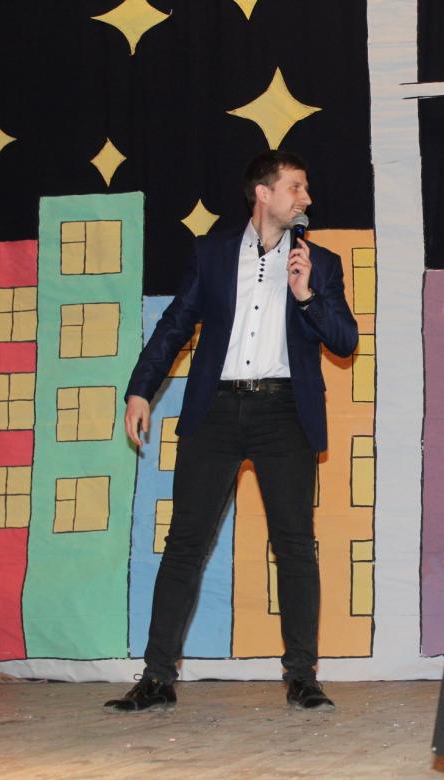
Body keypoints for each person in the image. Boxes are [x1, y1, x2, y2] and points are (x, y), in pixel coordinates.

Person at [105, 150, 358, 713]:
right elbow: (175, 325)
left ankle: (302, 677)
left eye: (306, 188)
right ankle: (157, 677)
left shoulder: (320, 263)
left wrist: (308, 296)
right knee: (185, 545)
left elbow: (345, 341)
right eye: (296, 187)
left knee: (295, 547)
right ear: (263, 194)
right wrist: (141, 389)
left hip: (283, 413)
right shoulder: (212, 253)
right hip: (214, 411)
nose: (307, 198)